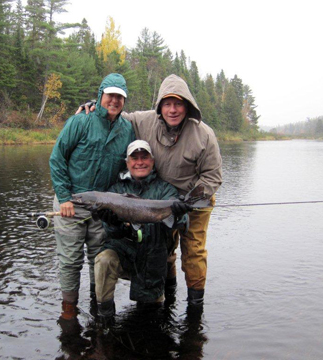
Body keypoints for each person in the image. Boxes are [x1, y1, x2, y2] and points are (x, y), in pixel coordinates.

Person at [78, 74, 222, 305]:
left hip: (194, 198)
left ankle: (195, 307)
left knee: (193, 252)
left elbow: (213, 175)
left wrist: (190, 199)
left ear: (187, 106)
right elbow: (117, 114)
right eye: (167, 104)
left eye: (178, 103)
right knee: (165, 246)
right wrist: (97, 106)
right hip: (159, 197)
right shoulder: (145, 120)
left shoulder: (204, 134)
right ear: (160, 107)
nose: (172, 110)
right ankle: (169, 293)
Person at [49, 73, 135, 321]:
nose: (115, 101)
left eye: (120, 97)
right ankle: (68, 310)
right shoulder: (80, 121)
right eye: (111, 95)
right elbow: (57, 159)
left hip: (103, 208)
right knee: (70, 261)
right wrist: (64, 197)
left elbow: (125, 170)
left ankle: (98, 307)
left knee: (98, 259)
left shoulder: (126, 129)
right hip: (70, 204)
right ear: (100, 96)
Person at [93, 140, 190, 322]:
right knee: (103, 259)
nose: (140, 162)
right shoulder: (116, 190)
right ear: (127, 163)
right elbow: (111, 233)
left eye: (144, 157)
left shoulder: (165, 189)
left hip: (153, 257)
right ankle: (105, 317)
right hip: (124, 253)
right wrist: (113, 223)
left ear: (152, 161)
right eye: (134, 158)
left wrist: (178, 214)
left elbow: (182, 223)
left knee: (152, 316)